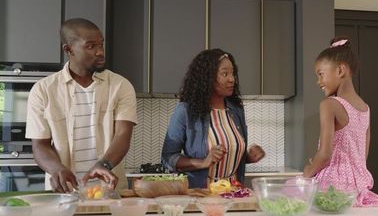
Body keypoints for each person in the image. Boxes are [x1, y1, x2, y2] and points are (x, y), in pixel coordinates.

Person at [26, 18, 137, 193]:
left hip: (110, 191)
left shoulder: (120, 86)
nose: (100, 52)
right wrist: (56, 169)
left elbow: (123, 134)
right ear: (68, 49)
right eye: (91, 46)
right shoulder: (43, 90)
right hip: (63, 192)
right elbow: (40, 145)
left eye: (101, 45)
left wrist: (104, 164)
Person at [162, 48, 265, 188]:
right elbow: (168, 158)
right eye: (225, 73)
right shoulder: (186, 111)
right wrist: (203, 162)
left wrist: (249, 157)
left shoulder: (236, 110)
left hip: (234, 192)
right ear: (207, 77)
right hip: (201, 195)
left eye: (233, 73)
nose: (232, 79)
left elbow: (231, 157)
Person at [303, 37, 378, 207]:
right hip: (358, 186)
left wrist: (307, 172)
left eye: (320, 74)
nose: (318, 82)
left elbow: (324, 155)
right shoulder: (365, 108)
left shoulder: (330, 105)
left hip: (332, 186)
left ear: (340, 70)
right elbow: (362, 157)